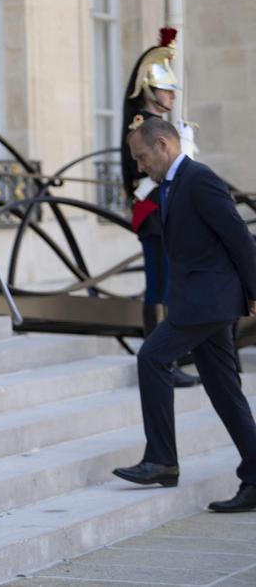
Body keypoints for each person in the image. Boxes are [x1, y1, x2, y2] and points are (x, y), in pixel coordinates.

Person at [113, 118, 256, 513]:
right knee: (224, 391)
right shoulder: (172, 183)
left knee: (152, 357)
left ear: (162, 145)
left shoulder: (199, 178)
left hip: (208, 301)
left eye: (142, 157)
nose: (140, 166)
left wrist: (254, 292)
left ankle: (162, 459)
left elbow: (239, 238)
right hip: (199, 300)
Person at [121, 28, 200, 387]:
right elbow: (146, 173)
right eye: (165, 89)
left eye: (171, 90)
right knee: (159, 286)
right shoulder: (141, 125)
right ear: (150, 90)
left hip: (168, 210)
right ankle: (160, 359)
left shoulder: (159, 124)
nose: (170, 95)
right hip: (152, 211)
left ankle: (168, 357)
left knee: (170, 285)